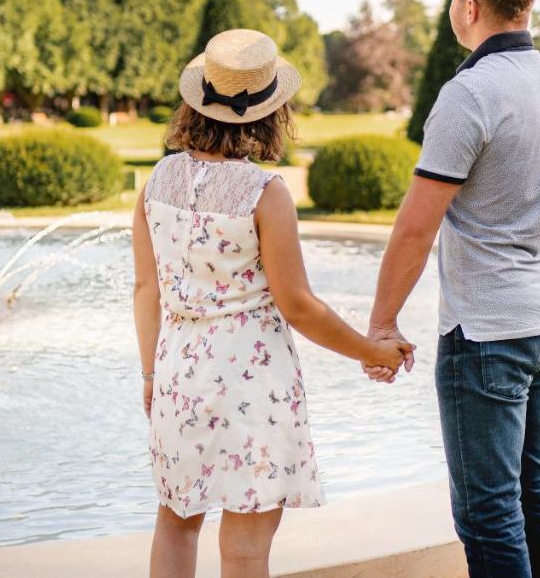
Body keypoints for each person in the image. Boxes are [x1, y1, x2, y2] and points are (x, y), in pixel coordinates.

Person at [132, 29, 413, 578]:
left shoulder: (156, 183)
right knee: (245, 550)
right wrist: (368, 351)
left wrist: (150, 374)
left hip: (178, 376)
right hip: (250, 387)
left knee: (175, 523)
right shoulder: (264, 194)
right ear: (268, 112)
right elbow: (299, 305)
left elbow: (147, 290)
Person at [364, 0, 540, 578]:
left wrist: (380, 326)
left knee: (488, 513)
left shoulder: (470, 93)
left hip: (488, 333)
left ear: (469, 7)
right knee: (536, 491)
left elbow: (415, 229)